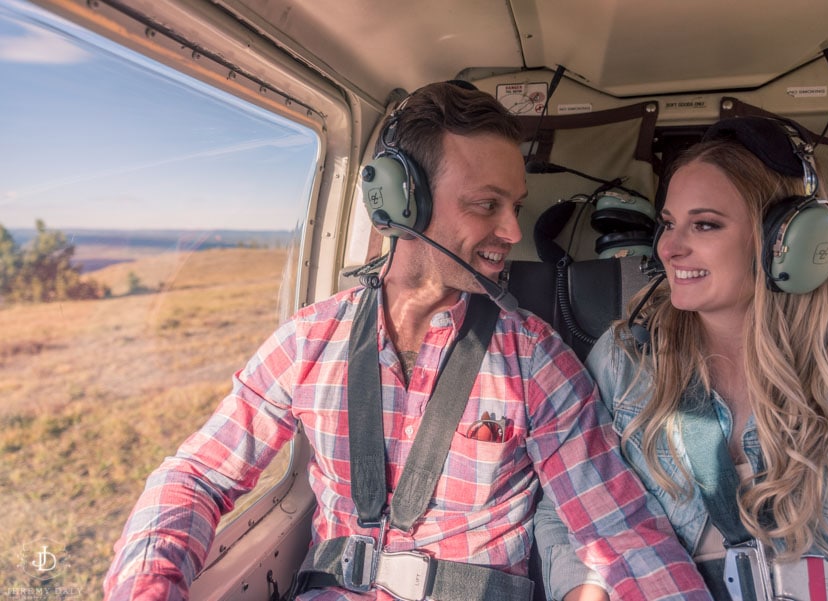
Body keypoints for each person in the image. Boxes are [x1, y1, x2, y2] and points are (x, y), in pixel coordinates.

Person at [103, 81, 712, 600]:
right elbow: (197, 476)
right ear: (402, 202)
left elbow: (616, 529)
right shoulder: (308, 341)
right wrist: (149, 587)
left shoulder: (535, 359)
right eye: (486, 205)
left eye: (515, 205)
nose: (511, 231)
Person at [534, 116, 828, 601]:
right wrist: (583, 591)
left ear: (785, 241)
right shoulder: (626, 362)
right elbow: (564, 511)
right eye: (668, 224)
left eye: (704, 224)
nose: (668, 247)